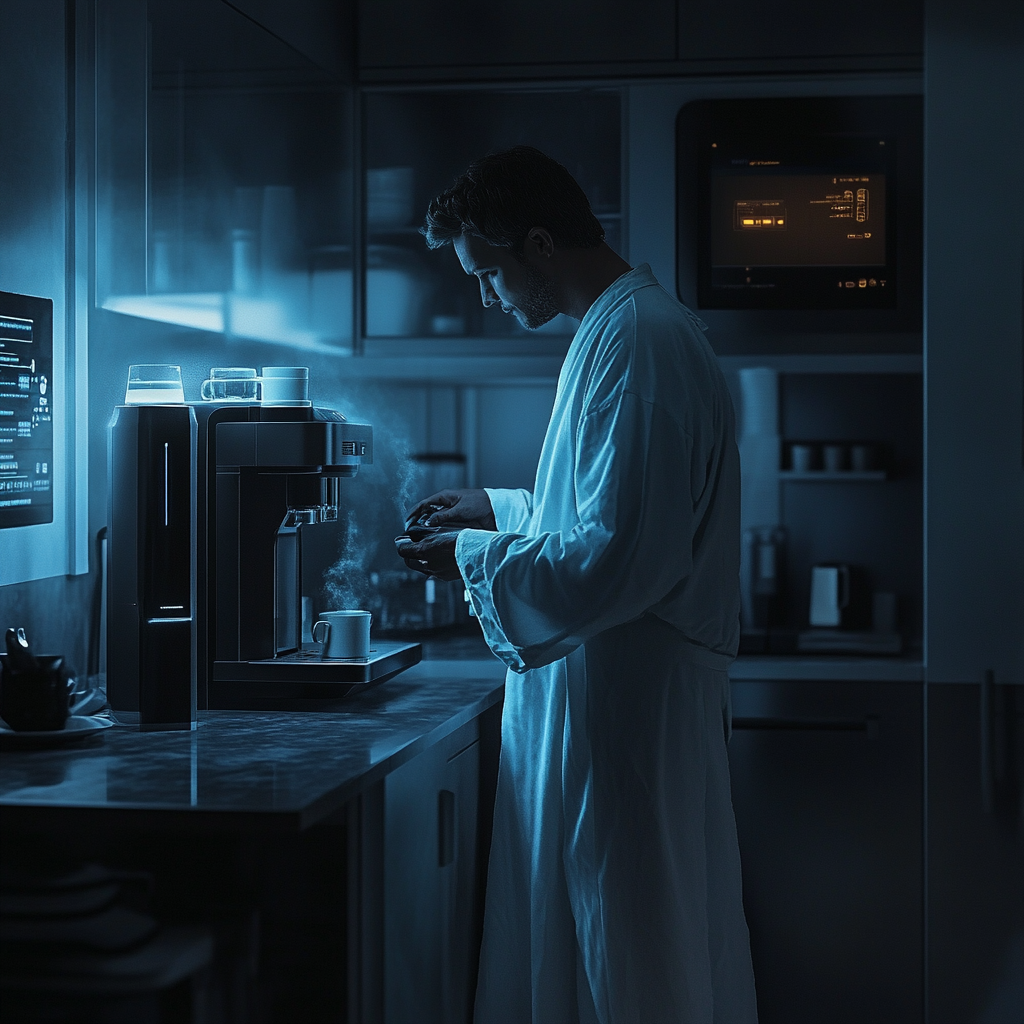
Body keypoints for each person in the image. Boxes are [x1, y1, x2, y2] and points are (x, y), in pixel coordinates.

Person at [396, 146, 757, 1024]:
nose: (487, 296)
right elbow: (605, 512)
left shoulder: (640, 342)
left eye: (489, 273)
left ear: (540, 242)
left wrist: (474, 555)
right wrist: (501, 506)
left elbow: (621, 556)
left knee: (634, 954)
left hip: (630, 711)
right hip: (611, 696)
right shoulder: (619, 329)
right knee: (610, 945)